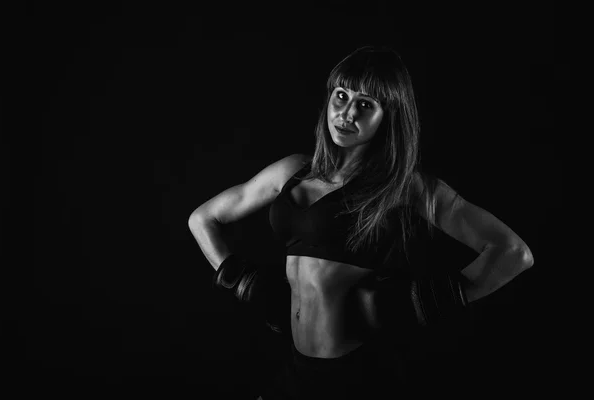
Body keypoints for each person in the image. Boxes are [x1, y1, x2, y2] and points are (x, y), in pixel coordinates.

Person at [188, 46, 534, 399]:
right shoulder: (292, 171)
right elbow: (203, 219)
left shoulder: (405, 187)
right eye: (341, 96)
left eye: (366, 104)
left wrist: (427, 301)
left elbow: (512, 253)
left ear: (389, 116)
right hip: (298, 369)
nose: (347, 113)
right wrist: (242, 280)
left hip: (358, 376)